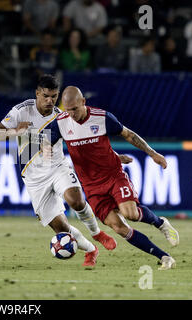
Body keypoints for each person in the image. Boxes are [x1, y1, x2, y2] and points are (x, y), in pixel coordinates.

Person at [41, 86, 179, 270]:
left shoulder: (102, 117)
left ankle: (160, 223)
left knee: (131, 213)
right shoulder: (61, 123)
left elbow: (129, 135)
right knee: (120, 228)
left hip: (113, 175)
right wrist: (46, 149)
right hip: (91, 186)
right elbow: (44, 140)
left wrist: (152, 153)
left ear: (83, 102)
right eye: (68, 110)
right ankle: (164, 257)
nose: (71, 114)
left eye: (75, 109)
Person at [0, 75, 124, 268]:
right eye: (45, 96)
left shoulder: (62, 116)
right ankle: (90, 250)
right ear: (37, 93)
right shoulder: (21, 111)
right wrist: (14, 132)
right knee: (61, 230)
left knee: (76, 200)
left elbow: (87, 139)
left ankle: (97, 233)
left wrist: (112, 156)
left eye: (54, 97)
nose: (49, 101)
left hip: (57, 167)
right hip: (33, 177)